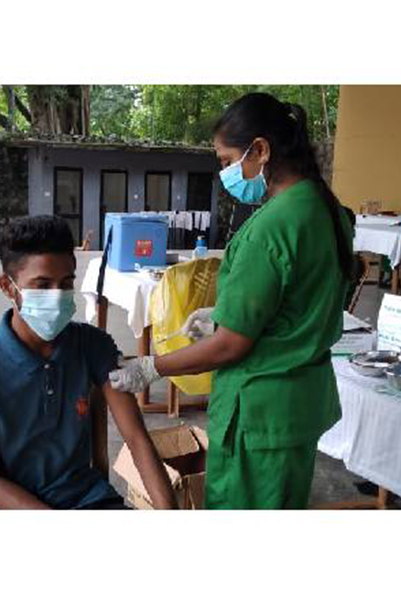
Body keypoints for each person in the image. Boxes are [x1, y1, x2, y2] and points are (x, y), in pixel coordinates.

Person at [109, 93, 354, 509]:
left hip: (259, 409)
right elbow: (298, 297)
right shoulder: (324, 207)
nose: (225, 172)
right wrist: (225, 314)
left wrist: (151, 367)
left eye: (226, 160)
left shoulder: (272, 226)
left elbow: (231, 346)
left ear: (260, 149)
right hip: (298, 405)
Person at [0, 215, 176, 509]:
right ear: (7, 286)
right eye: (42, 285)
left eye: (66, 283)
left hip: (88, 499)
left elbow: (136, 437)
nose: (57, 296)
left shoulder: (92, 344)